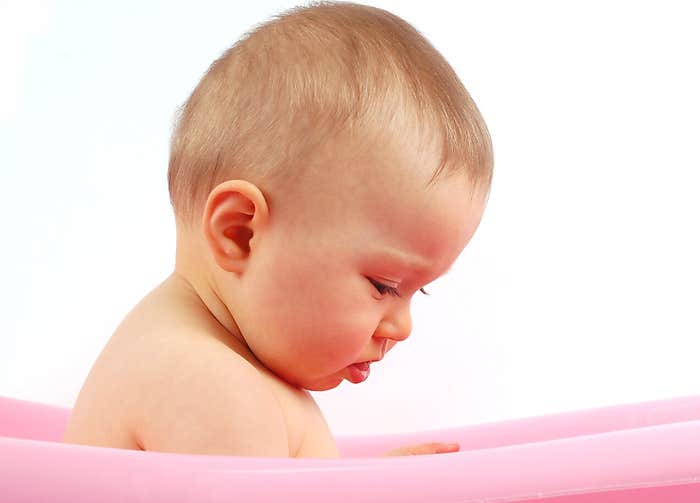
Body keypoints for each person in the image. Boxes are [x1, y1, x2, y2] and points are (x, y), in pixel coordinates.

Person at [62, 1, 493, 458]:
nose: (402, 328)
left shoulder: (224, 362)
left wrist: (365, 488)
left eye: (416, 292)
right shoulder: (209, 385)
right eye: (384, 285)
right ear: (240, 234)